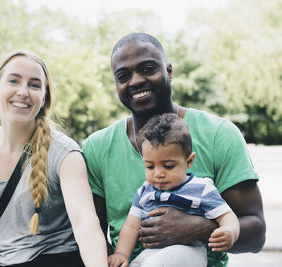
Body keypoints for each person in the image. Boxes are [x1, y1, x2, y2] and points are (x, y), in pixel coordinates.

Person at [82, 33, 266, 267]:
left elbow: (257, 234)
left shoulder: (220, 134)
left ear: (169, 71)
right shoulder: (96, 147)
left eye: (148, 68)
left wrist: (199, 229)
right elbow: (90, 235)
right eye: (123, 76)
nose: (136, 81)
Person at [0, 50, 108, 267]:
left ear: (44, 97)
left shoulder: (64, 153)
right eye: (14, 81)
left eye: (34, 85)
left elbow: (85, 224)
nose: (23, 92)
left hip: (53, 258)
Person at [108, 113, 240, 267]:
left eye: (168, 166)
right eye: (150, 166)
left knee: (156, 264)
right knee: (136, 264)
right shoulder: (144, 192)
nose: (158, 174)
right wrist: (121, 254)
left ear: (189, 161)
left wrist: (230, 230)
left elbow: (227, 215)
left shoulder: (201, 188)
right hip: (153, 252)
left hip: (190, 252)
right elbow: (131, 226)